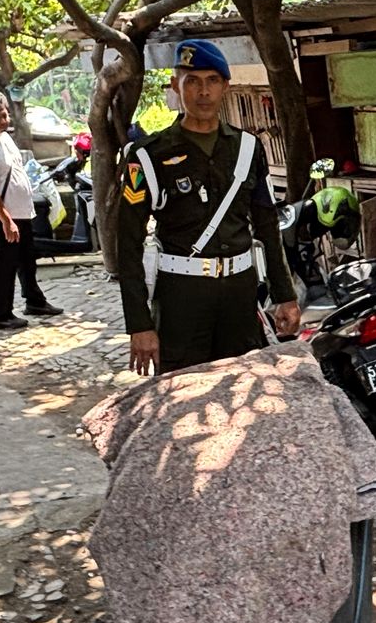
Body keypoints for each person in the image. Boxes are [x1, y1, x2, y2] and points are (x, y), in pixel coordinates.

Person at [116, 39, 299, 374]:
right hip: (181, 299)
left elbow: (267, 226)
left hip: (241, 296)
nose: (203, 92)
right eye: (192, 81)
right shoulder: (147, 157)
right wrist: (139, 324)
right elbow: (127, 245)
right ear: (175, 86)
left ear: (225, 86)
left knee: (247, 383)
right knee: (183, 390)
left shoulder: (248, 149)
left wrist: (284, 295)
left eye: (212, 80)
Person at [0, 94, 63, 331]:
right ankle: (1, 314)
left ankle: (35, 301)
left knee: (26, 260)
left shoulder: (4, 138)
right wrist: (6, 220)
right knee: (4, 265)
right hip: (2, 215)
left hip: (21, 211)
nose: (3, 121)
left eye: (5, 115)